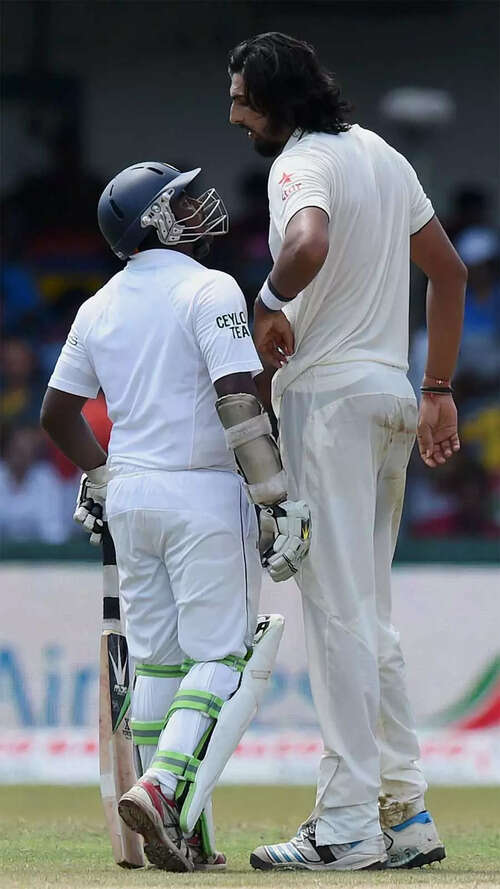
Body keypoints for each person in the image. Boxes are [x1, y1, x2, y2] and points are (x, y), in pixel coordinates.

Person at [228, 32, 467, 872]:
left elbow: (308, 245)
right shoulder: (385, 157)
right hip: (391, 396)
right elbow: (450, 273)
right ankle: (405, 811)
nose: (235, 115)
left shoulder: (300, 163)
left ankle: (346, 823)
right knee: (368, 615)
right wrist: (438, 388)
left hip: (328, 403)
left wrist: (266, 300)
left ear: (277, 101)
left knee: (336, 616)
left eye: (242, 100)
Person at [40, 160, 310, 872]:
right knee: (222, 656)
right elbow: (238, 401)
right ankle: (162, 789)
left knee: (159, 663)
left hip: (131, 497)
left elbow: (56, 414)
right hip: (203, 492)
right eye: (181, 201)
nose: (197, 207)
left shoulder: (96, 305)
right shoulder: (210, 287)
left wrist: (101, 473)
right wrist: (277, 497)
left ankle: (184, 831)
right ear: (154, 220)